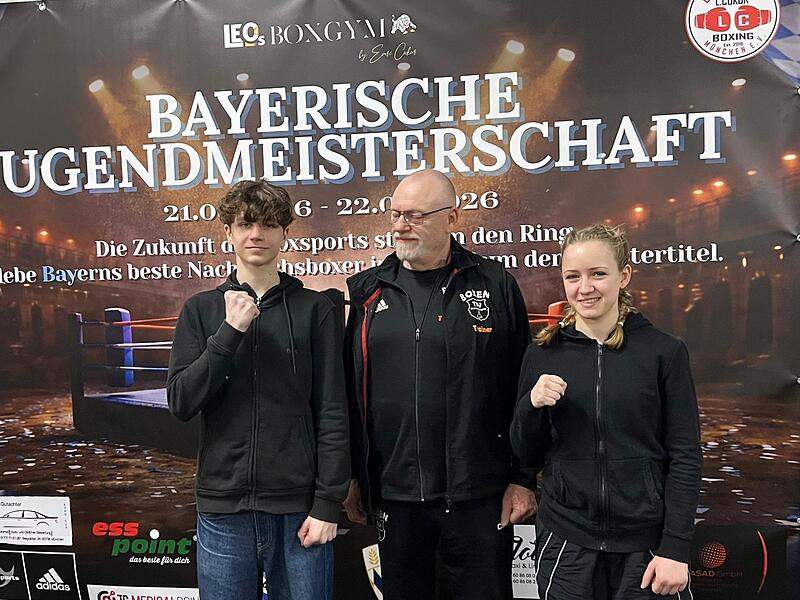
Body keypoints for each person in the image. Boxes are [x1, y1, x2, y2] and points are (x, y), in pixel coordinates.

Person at [343, 169, 536, 600]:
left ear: (452, 217)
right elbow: (351, 394)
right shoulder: (367, 292)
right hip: (394, 497)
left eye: (414, 215)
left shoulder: (494, 285)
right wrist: (354, 475)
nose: (399, 226)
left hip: (479, 497)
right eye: (395, 214)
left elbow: (523, 388)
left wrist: (524, 477)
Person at [167, 179, 350, 600]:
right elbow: (181, 400)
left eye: (269, 225)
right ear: (227, 231)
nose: (256, 235)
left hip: (298, 509)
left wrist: (327, 504)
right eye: (246, 224)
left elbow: (333, 411)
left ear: (285, 232)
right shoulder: (201, 310)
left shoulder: (314, 309)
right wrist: (229, 332)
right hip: (223, 507)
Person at [510, 223, 702, 599]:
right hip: (567, 541)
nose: (585, 288)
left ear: (624, 275)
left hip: (645, 546)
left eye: (598, 274)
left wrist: (675, 548)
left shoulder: (664, 352)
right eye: (573, 276)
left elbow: (686, 456)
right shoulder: (542, 354)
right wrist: (531, 406)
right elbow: (525, 455)